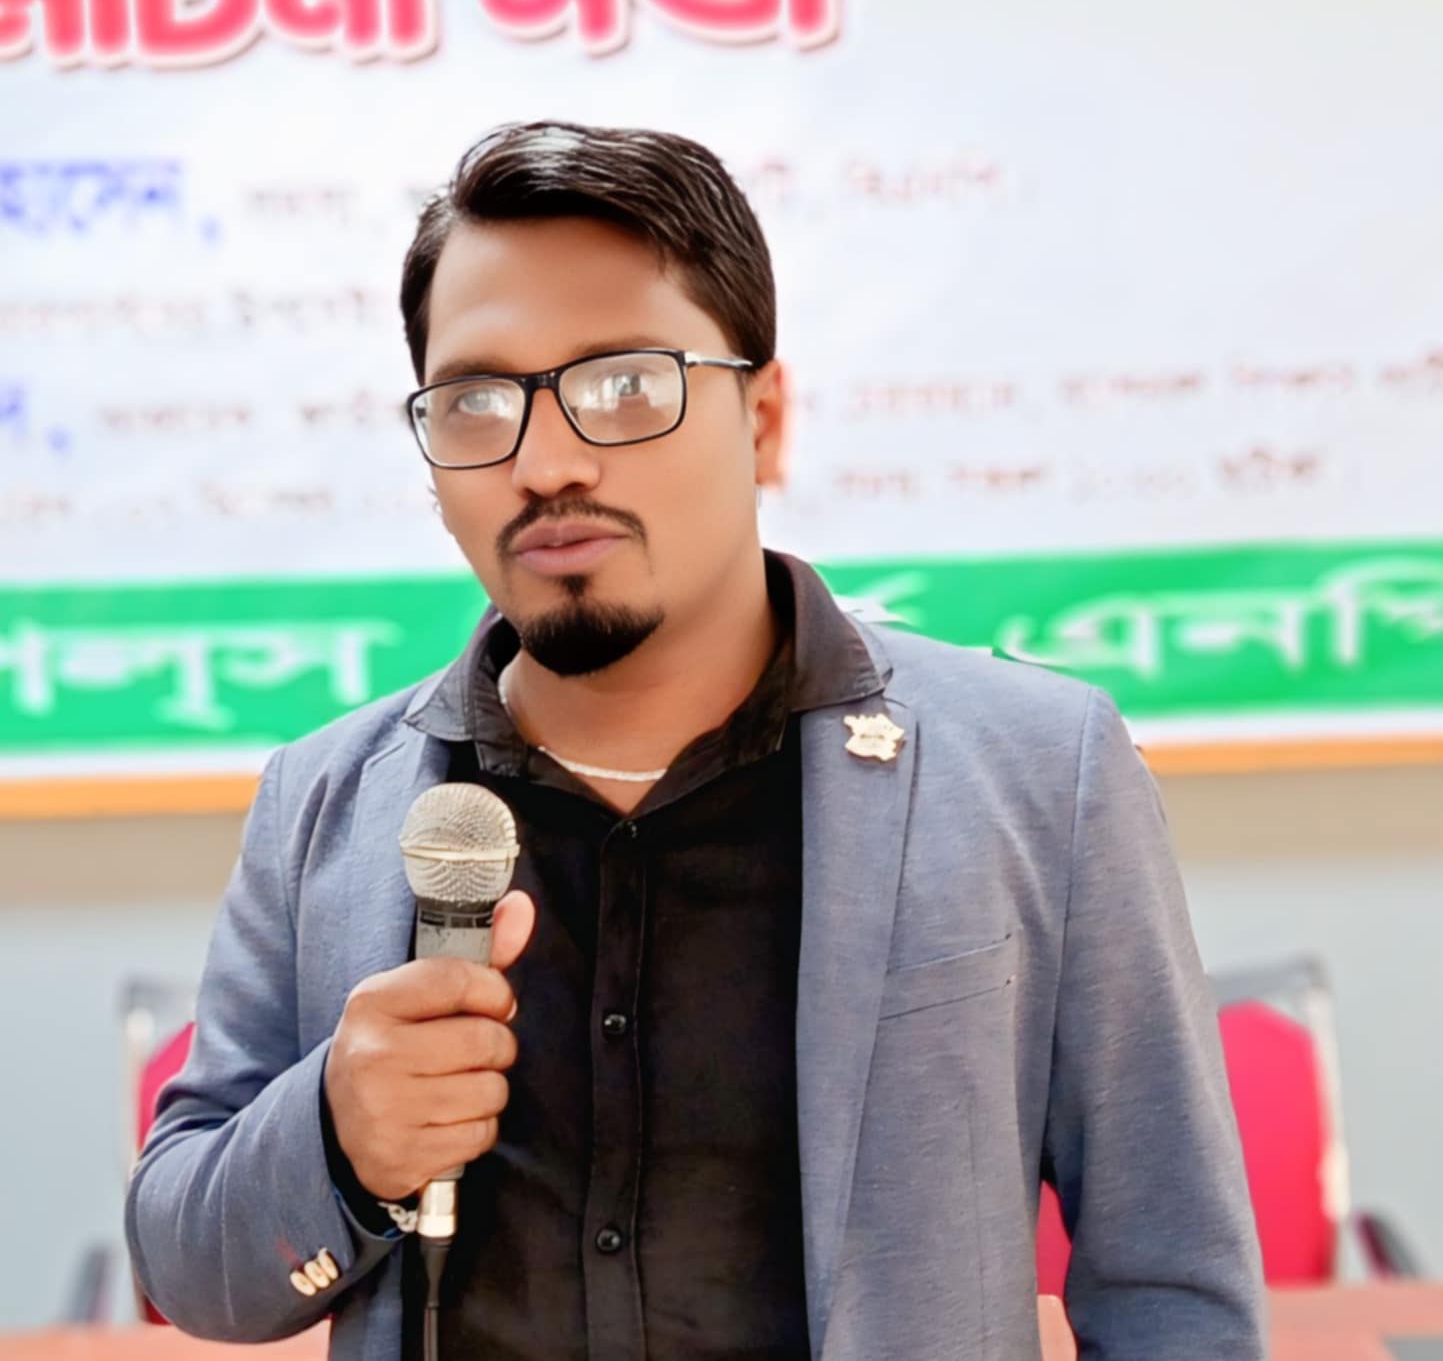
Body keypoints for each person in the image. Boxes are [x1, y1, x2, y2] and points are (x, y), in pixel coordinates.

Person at [125, 120, 1266, 1361]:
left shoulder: (1039, 770)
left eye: (624, 384)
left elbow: (1171, 1287)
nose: (545, 463)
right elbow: (189, 1264)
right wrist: (340, 1135)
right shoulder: (325, 798)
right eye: (477, 403)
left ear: (765, 418)